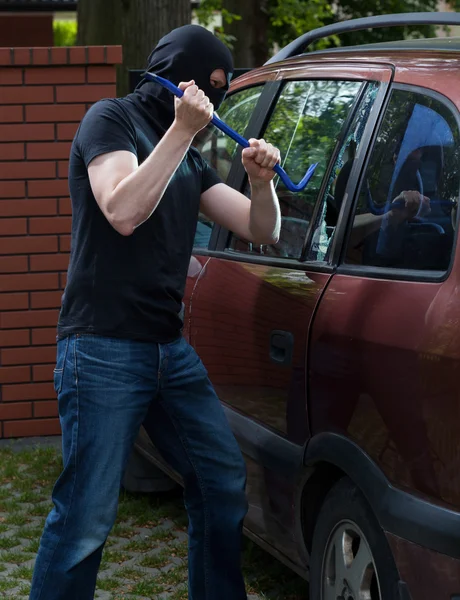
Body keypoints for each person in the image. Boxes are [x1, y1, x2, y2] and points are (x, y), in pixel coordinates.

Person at [29, 25, 281, 600]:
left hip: (169, 351)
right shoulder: (110, 120)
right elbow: (121, 209)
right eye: (208, 86)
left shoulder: (189, 159)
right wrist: (179, 132)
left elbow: (259, 229)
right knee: (85, 520)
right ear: (176, 75)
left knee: (221, 484)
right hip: (101, 348)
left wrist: (262, 184)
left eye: (222, 92)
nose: (214, 103)